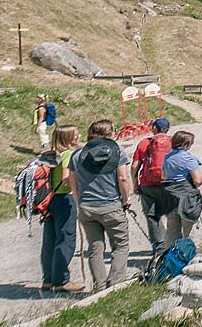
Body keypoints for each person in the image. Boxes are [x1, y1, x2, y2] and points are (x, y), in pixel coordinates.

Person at [69, 119, 134, 291]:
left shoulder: (77, 155)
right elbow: (123, 178)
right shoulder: (117, 152)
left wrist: (78, 201)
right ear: (109, 134)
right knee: (120, 245)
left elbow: (72, 182)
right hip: (111, 204)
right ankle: (115, 284)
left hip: (86, 207)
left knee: (95, 248)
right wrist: (126, 198)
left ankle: (100, 284)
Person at [40, 125, 84, 293]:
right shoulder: (67, 155)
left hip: (49, 199)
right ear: (68, 138)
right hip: (64, 197)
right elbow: (66, 178)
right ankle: (61, 280)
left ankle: (48, 279)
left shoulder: (49, 155)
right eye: (75, 134)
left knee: (49, 240)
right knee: (66, 239)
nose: (79, 135)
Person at [132, 117, 176, 254]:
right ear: (167, 129)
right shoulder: (174, 142)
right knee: (172, 214)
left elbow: (134, 167)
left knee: (152, 216)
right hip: (169, 183)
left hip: (148, 184)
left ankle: (160, 247)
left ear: (154, 129)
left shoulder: (144, 143)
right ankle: (174, 244)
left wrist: (135, 185)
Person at [158, 130, 202, 246]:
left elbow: (163, 176)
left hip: (170, 195)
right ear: (185, 144)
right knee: (189, 226)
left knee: (172, 228)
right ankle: (188, 253)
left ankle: (171, 255)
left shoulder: (167, 157)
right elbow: (198, 181)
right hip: (186, 196)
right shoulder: (189, 159)